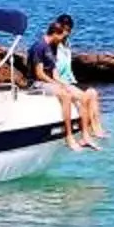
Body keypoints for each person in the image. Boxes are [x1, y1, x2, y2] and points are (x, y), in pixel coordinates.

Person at [32, 15, 104, 150]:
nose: (64, 38)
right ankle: (69, 136)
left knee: (85, 96)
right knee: (67, 96)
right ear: (55, 33)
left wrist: (63, 84)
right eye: (63, 34)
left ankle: (86, 135)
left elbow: (54, 73)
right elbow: (39, 74)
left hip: (54, 81)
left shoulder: (51, 47)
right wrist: (58, 84)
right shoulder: (39, 47)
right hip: (40, 84)